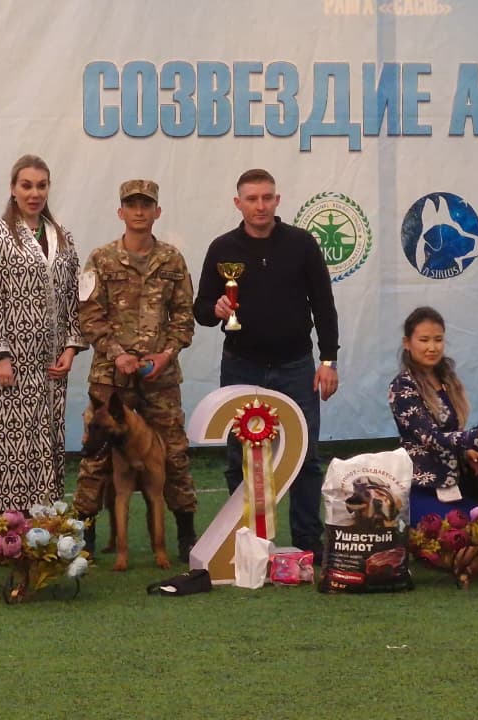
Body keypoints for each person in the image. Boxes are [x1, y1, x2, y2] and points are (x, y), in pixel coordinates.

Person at [193, 168, 339, 561]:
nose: (260, 205)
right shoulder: (222, 248)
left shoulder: (302, 244)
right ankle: (248, 542)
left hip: (296, 365)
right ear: (238, 203)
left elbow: (323, 306)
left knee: (306, 457)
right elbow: (201, 310)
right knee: (238, 457)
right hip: (242, 366)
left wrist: (328, 360)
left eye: (267, 197)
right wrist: (217, 308)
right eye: (252, 199)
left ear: (277, 200)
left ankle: (309, 540)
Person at [74, 179, 197, 561]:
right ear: (120, 212)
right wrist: (117, 353)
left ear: (158, 211)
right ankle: (84, 537)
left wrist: (167, 354)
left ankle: (186, 536)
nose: (139, 211)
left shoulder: (173, 260)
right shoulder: (101, 259)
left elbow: (183, 316)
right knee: (96, 458)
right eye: (132, 204)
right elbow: (89, 314)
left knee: (174, 453)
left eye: (147, 205)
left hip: (159, 378)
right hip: (112, 379)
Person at [0, 154, 85, 512]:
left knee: (45, 442)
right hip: (11, 363)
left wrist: (70, 348)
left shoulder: (62, 236)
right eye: (26, 185)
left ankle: (43, 531)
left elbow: (72, 296)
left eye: (41, 185)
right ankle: (10, 533)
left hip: (52, 365)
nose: (34, 193)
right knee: (12, 446)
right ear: (13, 188)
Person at [388, 306, 478, 524]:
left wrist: (466, 452)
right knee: (468, 547)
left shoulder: (447, 380)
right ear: (407, 343)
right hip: (422, 488)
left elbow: (450, 431)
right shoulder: (402, 387)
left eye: (438, 339)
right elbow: (432, 439)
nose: (432, 347)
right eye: (423, 340)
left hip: (454, 486)